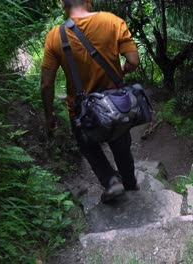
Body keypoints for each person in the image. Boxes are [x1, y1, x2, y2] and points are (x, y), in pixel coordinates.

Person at [40, 0, 140, 203]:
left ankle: (111, 181)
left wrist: (49, 114)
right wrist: (120, 72)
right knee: (120, 143)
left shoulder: (55, 36)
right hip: (114, 103)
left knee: (89, 147)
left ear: (62, 4)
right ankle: (129, 182)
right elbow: (133, 61)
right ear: (89, 0)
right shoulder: (112, 22)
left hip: (81, 109)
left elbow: (46, 84)